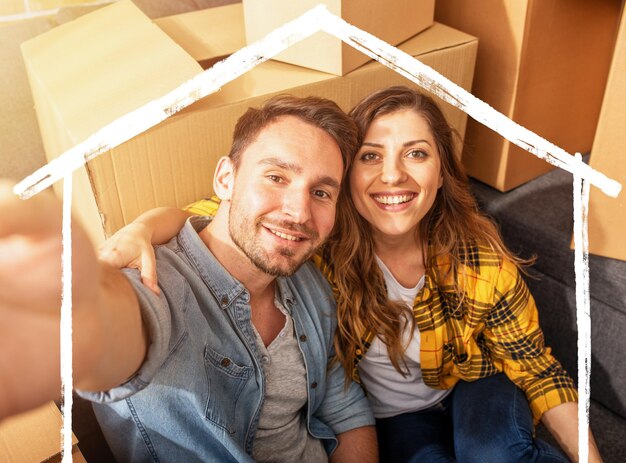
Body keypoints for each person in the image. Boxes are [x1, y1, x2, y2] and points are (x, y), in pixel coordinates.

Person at [101, 86, 602, 463]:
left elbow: (537, 370)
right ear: (348, 180)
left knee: (494, 453)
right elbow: (218, 217)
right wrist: (144, 226)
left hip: (475, 379)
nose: (392, 175)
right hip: (397, 417)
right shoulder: (315, 243)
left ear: (442, 171)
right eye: (371, 157)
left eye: (417, 153)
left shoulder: (479, 263)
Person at [0, 95, 378, 462]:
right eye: (276, 176)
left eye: (321, 192)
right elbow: (123, 324)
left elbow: (342, 404)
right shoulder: (158, 281)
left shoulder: (310, 283)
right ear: (225, 179)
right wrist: (78, 327)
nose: (299, 212)